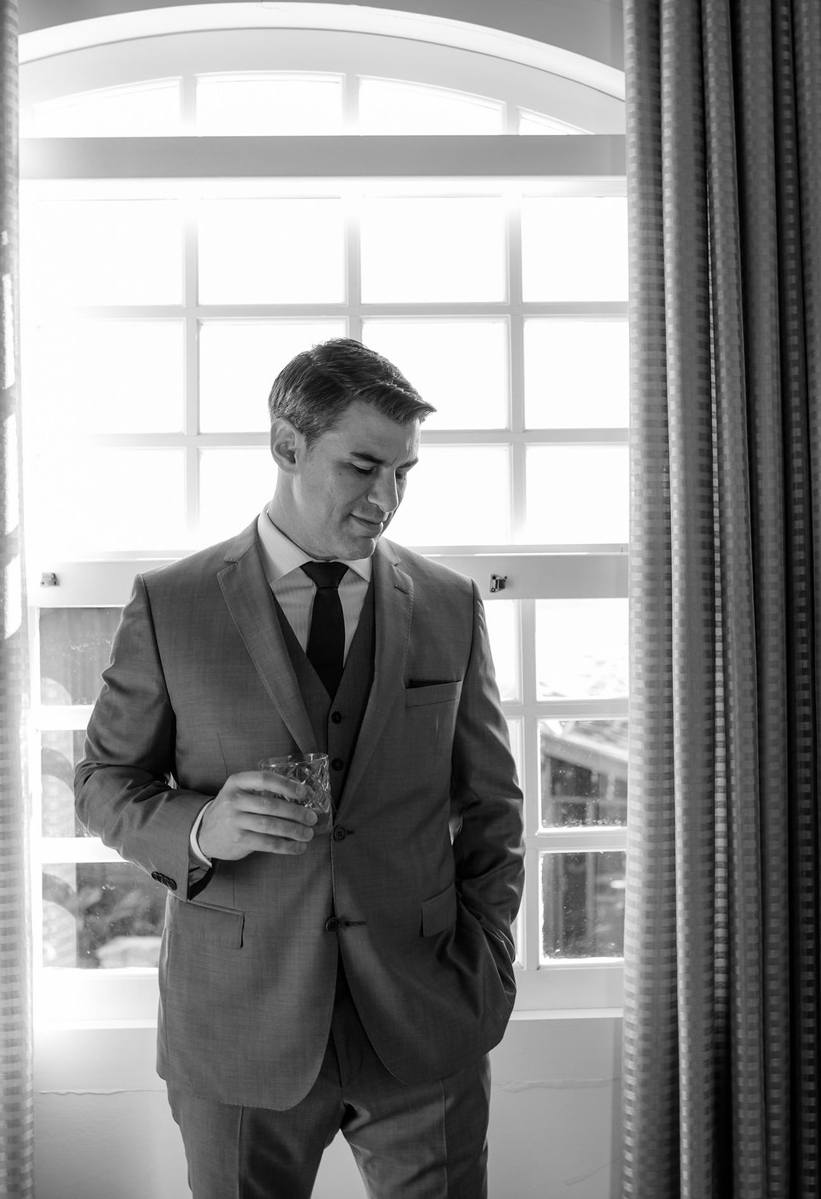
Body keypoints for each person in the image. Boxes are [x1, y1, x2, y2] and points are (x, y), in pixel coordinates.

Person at [75, 338, 523, 1199]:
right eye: (363, 467)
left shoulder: (448, 604)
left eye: (404, 472)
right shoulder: (171, 604)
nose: (386, 498)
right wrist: (202, 828)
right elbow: (102, 783)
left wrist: (488, 953)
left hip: (424, 1013)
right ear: (287, 446)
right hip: (239, 1023)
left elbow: (492, 807)